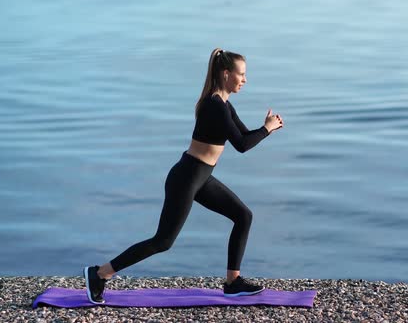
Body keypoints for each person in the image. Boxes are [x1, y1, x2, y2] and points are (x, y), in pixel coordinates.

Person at [83, 48, 284, 304]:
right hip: (187, 177)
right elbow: (241, 146)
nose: (245, 80)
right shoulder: (215, 106)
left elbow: (244, 137)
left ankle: (233, 282)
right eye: (241, 74)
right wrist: (267, 130)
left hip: (199, 177)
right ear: (226, 74)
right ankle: (100, 274)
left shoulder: (224, 105)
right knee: (163, 241)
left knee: (243, 216)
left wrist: (266, 127)